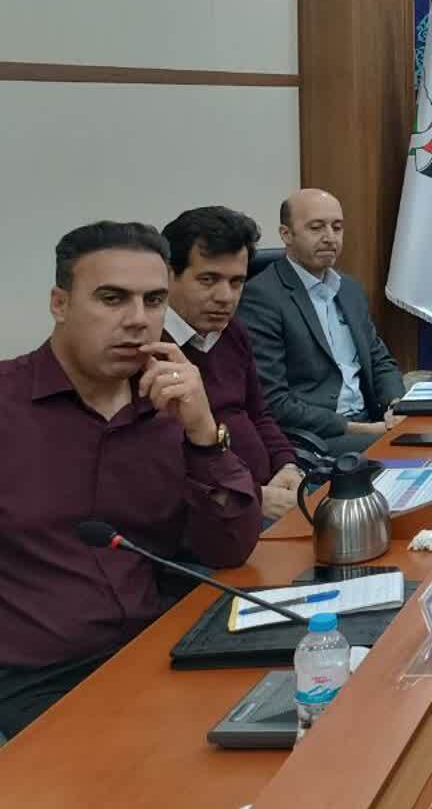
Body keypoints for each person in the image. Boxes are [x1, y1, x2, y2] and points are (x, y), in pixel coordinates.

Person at [0, 222, 261, 739]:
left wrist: (203, 433)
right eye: (112, 299)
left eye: (154, 300)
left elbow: (230, 549)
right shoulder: (8, 406)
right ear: (59, 304)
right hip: (40, 680)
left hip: (163, 646)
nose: (138, 320)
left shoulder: (169, 405)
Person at [162, 206, 304, 523]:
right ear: (169, 275)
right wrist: (253, 498)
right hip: (217, 516)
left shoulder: (233, 331)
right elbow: (163, 471)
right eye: (208, 280)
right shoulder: (149, 351)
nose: (225, 297)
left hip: (272, 492)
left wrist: (287, 465)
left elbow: (259, 414)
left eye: (237, 282)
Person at [237, 189, 404, 456]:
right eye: (316, 228)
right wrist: (363, 430)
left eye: (337, 227)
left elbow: (379, 360)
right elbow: (273, 401)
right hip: (316, 437)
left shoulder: (349, 288)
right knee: (413, 453)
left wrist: (396, 406)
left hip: (371, 420)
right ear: (286, 234)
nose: (330, 237)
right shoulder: (261, 297)